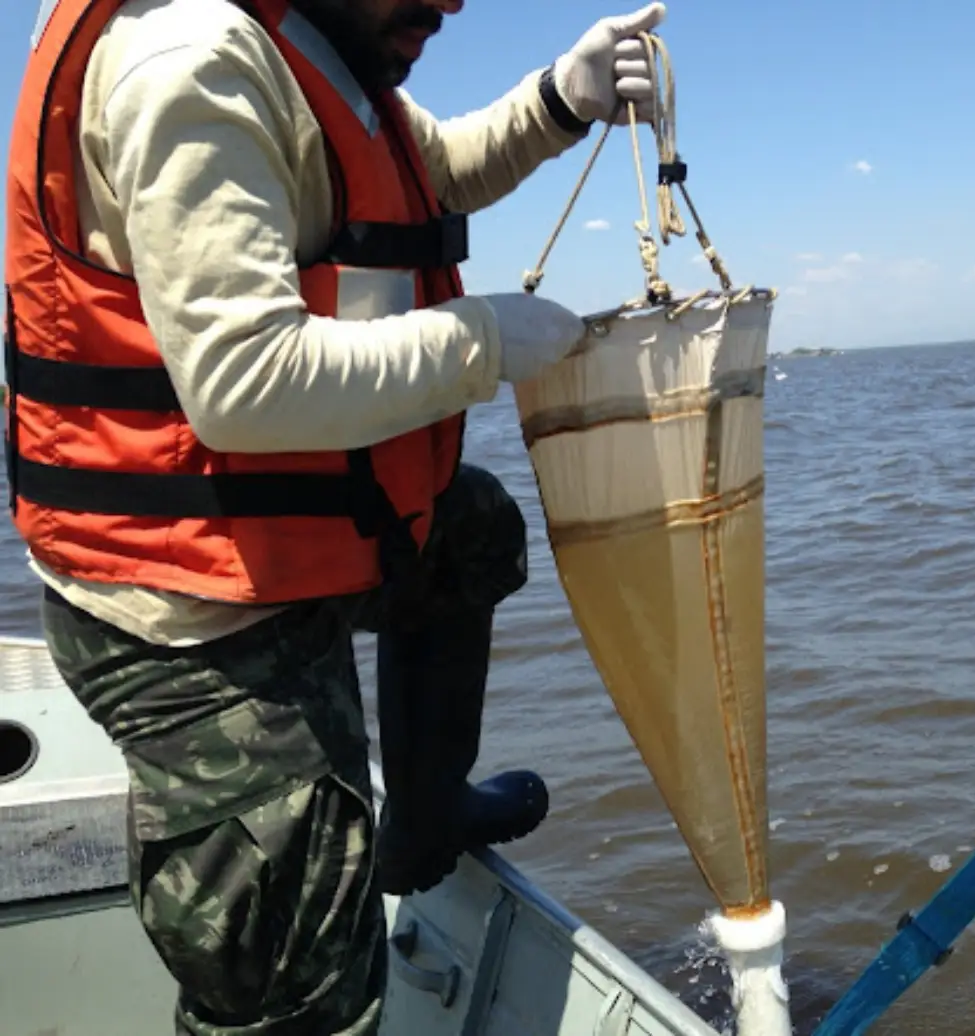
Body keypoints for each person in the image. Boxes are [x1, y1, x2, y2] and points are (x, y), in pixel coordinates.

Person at [4, 0, 667, 1031]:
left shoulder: (311, 48)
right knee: (302, 957)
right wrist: (483, 340)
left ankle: (426, 817)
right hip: (180, 601)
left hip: (287, 522)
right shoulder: (192, 59)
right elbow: (243, 382)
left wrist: (556, 100)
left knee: (470, 526)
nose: (451, 4)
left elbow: (432, 166)